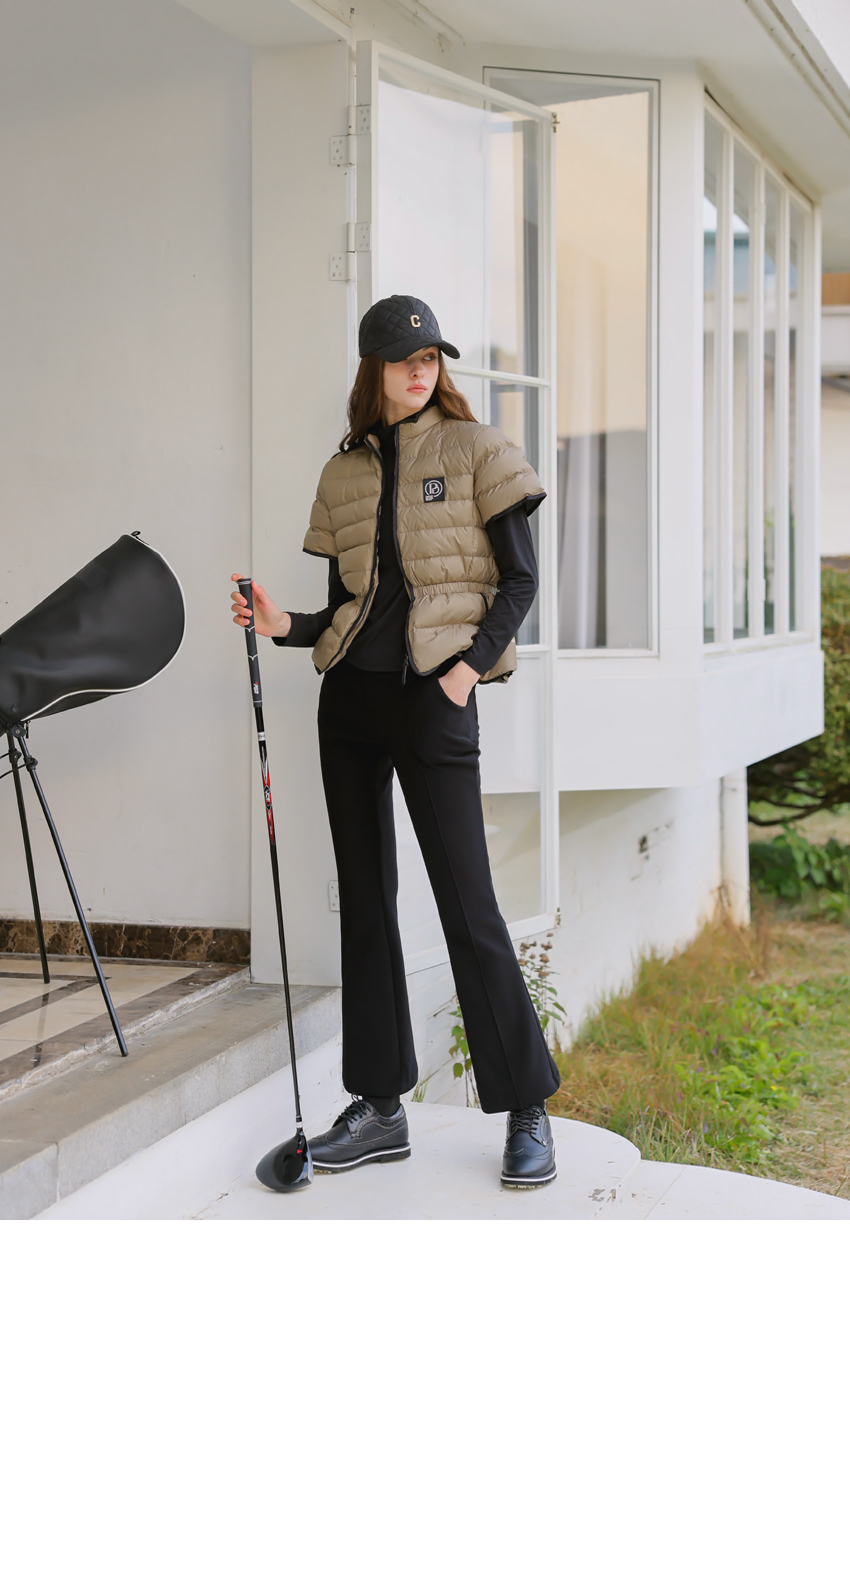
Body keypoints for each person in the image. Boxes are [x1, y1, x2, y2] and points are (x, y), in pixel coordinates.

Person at [232, 294, 560, 1188]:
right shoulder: (342, 473)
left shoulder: (478, 450)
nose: (421, 372)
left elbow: (521, 582)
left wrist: (467, 672)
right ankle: (380, 1107)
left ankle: (526, 1107)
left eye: (430, 358)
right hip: (351, 703)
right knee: (367, 904)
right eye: (404, 360)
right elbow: (350, 607)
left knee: (468, 902)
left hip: (434, 700)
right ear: (373, 369)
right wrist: (283, 626)